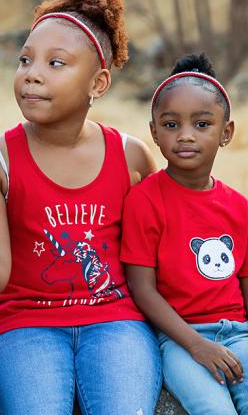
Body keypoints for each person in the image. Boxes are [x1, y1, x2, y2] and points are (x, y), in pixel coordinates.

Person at [0, 0, 162, 414]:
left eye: (56, 63)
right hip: (24, 326)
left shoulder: (131, 158)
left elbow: (155, 257)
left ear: (98, 83)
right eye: (25, 60)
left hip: (115, 322)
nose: (32, 74)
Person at [121, 53, 248, 414]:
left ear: (226, 133)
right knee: (214, 410)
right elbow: (142, 289)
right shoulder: (145, 200)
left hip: (239, 334)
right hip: (180, 340)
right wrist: (195, 344)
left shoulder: (239, 206)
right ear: (154, 132)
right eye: (171, 124)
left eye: (202, 124)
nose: (186, 135)